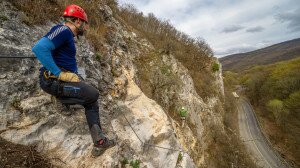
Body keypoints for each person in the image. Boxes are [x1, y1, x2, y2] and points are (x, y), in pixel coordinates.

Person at [32, 4, 115, 157]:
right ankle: (61, 100)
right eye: (84, 23)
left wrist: (73, 74)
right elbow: (39, 48)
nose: (85, 27)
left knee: (91, 100)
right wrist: (60, 74)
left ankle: (99, 142)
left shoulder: (68, 36)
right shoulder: (63, 30)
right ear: (77, 21)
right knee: (93, 94)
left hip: (61, 81)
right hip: (53, 82)